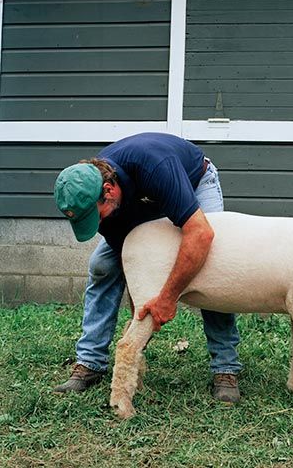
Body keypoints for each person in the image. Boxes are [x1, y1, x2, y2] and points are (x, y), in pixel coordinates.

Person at [53, 132, 241, 403]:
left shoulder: (154, 165)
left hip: (193, 183)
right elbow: (134, 266)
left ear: (108, 190)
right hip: (142, 204)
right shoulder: (94, 199)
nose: (96, 224)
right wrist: (139, 329)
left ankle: (225, 367)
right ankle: (90, 362)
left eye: (95, 216)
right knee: (103, 264)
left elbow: (200, 235)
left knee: (210, 265)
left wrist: (166, 299)